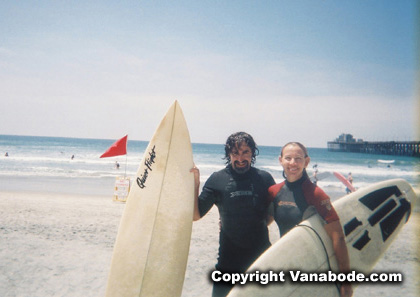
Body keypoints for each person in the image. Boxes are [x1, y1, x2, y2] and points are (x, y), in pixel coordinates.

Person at [190, 132, 275, 297]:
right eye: (235, 153)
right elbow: (196, 215)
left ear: (252, 153)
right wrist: (195, 184)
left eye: (245, 152)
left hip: (261, 258)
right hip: (228, 260)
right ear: (229, 154)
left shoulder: (265, 179)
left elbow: (272, 213)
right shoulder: (217, 179)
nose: (240, 158)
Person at [268, 142, 353, 297]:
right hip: (286, 262)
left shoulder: (316, 194)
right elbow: (264, 222)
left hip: (313, 265)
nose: (293, 163)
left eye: (298, 158)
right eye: (288, 158)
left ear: (306, 162)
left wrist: (346, 281)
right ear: (280, 160)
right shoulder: (274, 192)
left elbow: (338, 236)